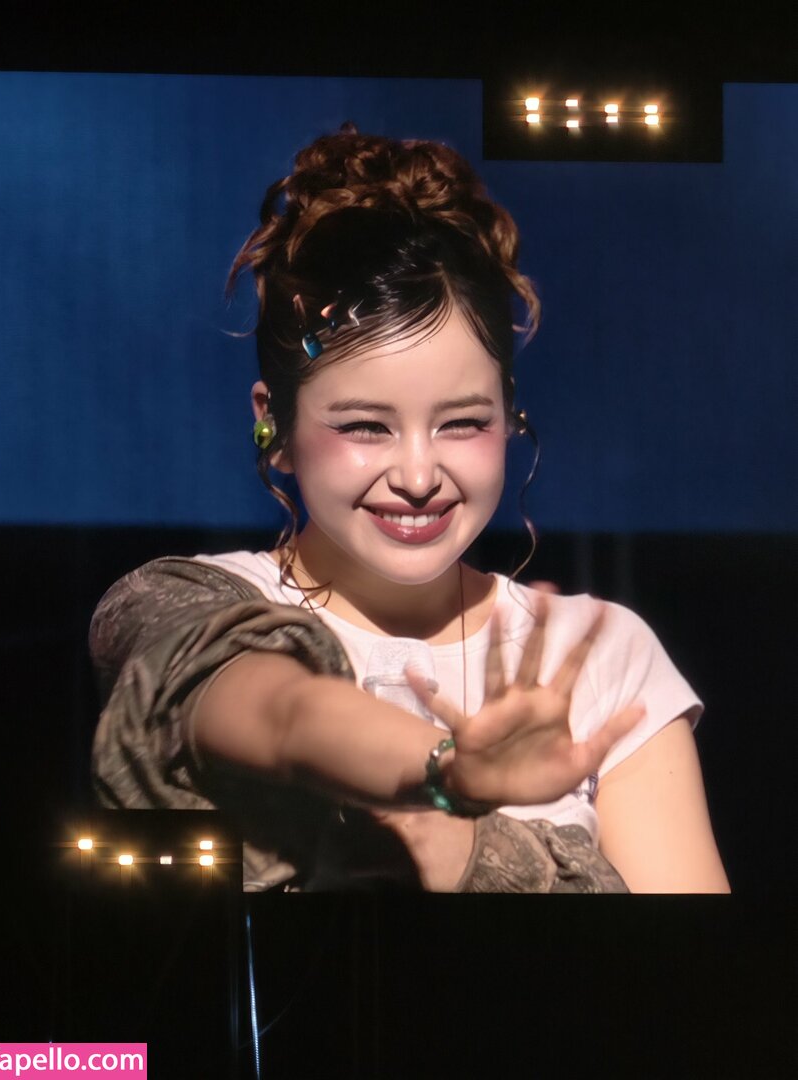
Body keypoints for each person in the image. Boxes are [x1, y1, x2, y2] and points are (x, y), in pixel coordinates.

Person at [90, 126, 729, 893]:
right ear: (275, 426)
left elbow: (687, 959)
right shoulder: (182, 603)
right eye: (365, 426)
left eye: (461, 423)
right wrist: (445, 774)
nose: (419, 476)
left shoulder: (596, 654)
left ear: (509, 415)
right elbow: (282, 714)